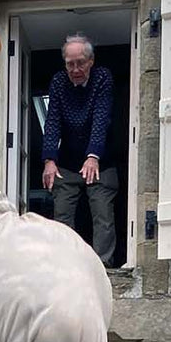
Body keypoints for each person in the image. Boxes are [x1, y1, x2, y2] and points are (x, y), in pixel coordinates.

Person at [40, 34, 118, 264]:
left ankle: (103, 266)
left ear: (91, 61)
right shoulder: (58, 82)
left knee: (102, 212)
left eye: (80, 63)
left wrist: (93, 155)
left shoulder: (102, 77)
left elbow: (100, 119)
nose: (75, 69)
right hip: (69, 159)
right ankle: (66, 264)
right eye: (70, 63)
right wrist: (49, 160)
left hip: (101, 157)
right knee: (62, 212)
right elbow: (52, 121)